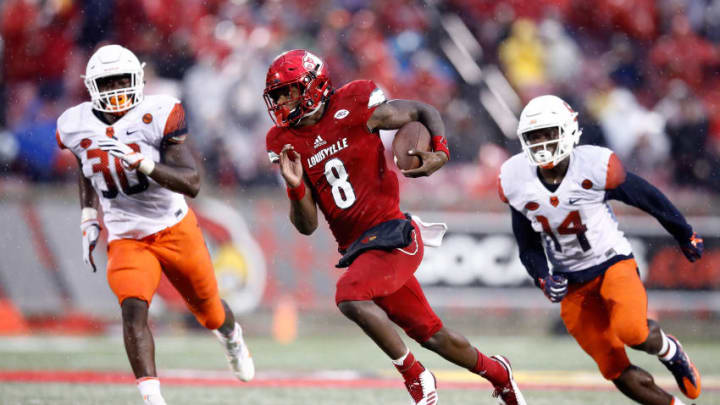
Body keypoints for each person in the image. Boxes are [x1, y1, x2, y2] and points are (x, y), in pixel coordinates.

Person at [264, 49, 525, 405]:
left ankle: (416, 376)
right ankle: (500, 374)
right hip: (360, 251)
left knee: (349, 296)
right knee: (434, 335)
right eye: (276, 95)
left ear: (313, 85)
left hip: (393, 234)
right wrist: (295, 189)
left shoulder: (354, 101)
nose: (280, 102)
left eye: (287, 91)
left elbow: (421, 111)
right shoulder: (281, 141)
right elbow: (307, 225)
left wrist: (440, 151)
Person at [55, 44, 254, 405]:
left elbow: (191, 181)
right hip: (126, 235)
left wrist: (143, 164)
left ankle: (231, 336)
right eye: (107, 83)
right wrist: (88, 217)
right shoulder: (74, 123)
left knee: (210, 313)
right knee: (133, 308)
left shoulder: (159, 112)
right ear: (92, 86)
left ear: (138, 80)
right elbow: (85, 164)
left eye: (121, 81)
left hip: (174, 227)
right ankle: (152, 399)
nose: (116, 91)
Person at [498, 95, 704, 405]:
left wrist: (683, 231)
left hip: (611, 263)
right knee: (613, 368)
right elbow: (527, 244)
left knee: (633, 332)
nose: (540, 143)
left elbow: (644, 195)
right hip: (571, 283)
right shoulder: (516, 179)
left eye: (548, 133)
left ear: (568, 131)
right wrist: (543, 277)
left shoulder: (593, 165)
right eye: (533, 136)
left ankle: (669, 351)